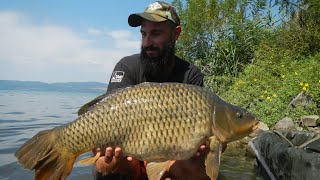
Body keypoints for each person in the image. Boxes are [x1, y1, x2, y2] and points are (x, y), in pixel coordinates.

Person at [78, 1, 210, 179]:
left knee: (195, 171)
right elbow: (105, 115)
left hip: (170, 157)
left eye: (156, 33)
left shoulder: (191, 75)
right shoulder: (127, 66)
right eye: (143, 34)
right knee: (111, 162)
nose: (148, 42)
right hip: (129, 152)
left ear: (175, 34)